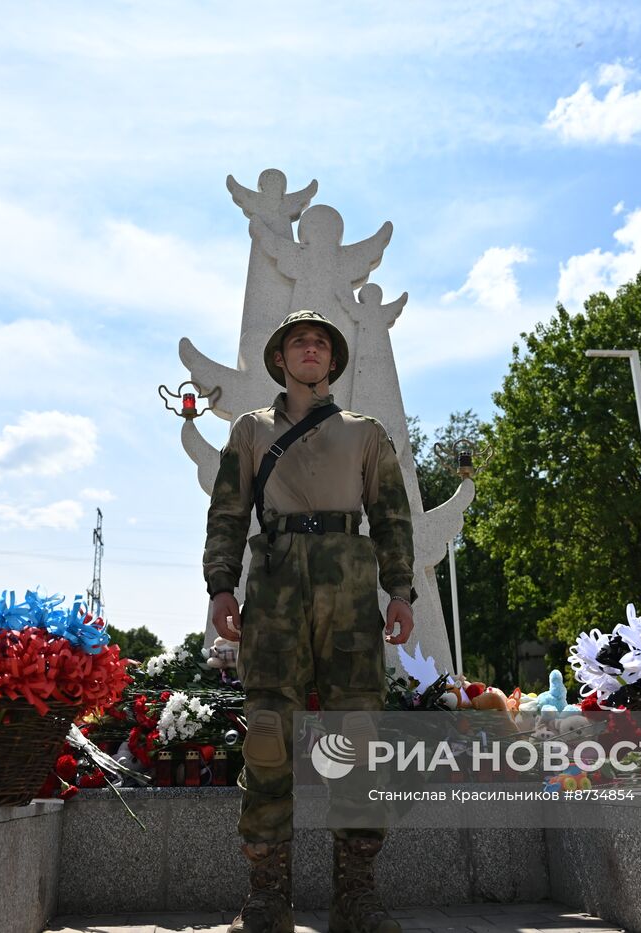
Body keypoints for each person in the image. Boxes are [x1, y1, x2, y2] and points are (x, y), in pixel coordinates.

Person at [204, 309, 416, 933]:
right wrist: (221, 585)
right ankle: (268, 897)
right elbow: (227, 513)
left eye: (321, 342)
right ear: (280, 358)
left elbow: (393, 518)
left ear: (333, 361)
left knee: (358, 736)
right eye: (299, 341)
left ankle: (358, 895)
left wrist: (399, 591)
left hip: (349, 586)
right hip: (272, 584)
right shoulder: (250, 429)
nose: (311, 349)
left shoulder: (365, 433)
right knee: (268, 735)